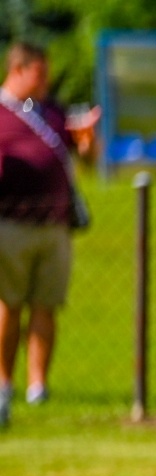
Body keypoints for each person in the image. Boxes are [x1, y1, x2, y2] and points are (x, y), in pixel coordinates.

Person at [0, 41, 94, 428]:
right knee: (8, 304)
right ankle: (4, 383)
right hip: (10, 224)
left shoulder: (51, 112)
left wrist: (88, 140)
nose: (46, 80)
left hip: (54, 225)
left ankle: (39, 385)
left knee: (47, 305)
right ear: (18, 69)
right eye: (40, 72)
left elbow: (84, 158)